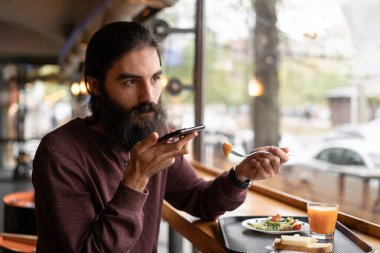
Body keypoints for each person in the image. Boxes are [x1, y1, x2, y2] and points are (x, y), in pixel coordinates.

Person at [32, 21, 289, 253]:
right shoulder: (59, 153)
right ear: (95, 86)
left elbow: (200, 200)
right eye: (131, 82)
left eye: (155, 78)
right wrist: (136, 178)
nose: (149, 96)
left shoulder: (152, 135)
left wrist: (241, 174)